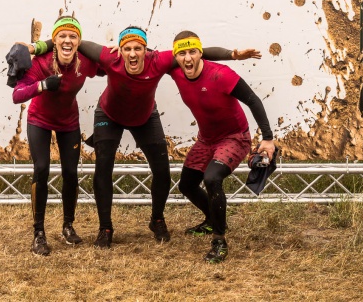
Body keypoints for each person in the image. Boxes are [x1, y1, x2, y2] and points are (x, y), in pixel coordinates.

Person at [35, 26, 259, 249]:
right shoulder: (110, 57)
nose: (132, 54)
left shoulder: (158, 61)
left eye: (138, 49)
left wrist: (232, 54)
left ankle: (157, 220)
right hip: (109, 115)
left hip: (145, 117)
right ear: (120, 51)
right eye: (127, 49)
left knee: (162, 170)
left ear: (146, 50)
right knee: (103, 168)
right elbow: (73, 41)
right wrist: (37, 47)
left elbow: (195, 51)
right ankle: (105, 228)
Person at [170, 30, 275, 263]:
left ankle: (219, 241)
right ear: (175, 56)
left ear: (201, 53)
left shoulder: (221, 74)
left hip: (234, 137)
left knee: (212, 178)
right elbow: (142, 56)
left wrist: (267, 137)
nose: (187, 58)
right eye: (182, 54)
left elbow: (253, 100)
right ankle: (212, 220)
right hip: (206, 139)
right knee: (186, 185)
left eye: (193, 52)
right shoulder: (174, 70)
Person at [12, 16, 102, 256]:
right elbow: (17, 94)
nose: (67, 40)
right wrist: (43, 85)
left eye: (73, 36)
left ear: (79, 41)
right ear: (54, 40)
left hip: (68, 121)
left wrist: (119, 52)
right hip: (39, 120)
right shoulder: (40, 62)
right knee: (41, 169)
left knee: (71, 173)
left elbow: (111, 67)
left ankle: (68, 226)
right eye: (62, 36)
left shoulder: (84, 62)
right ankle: (38, 233)